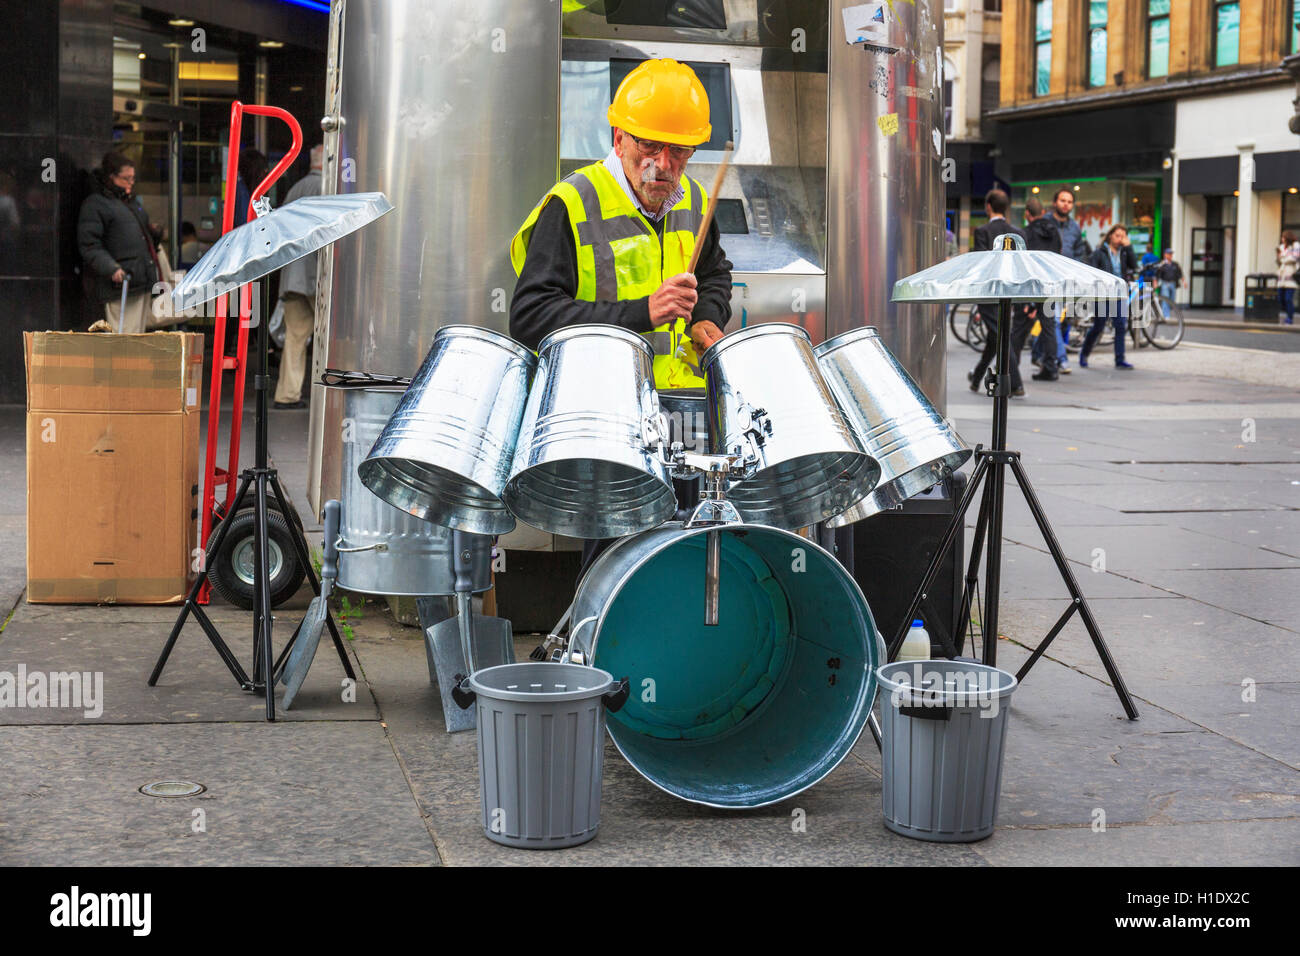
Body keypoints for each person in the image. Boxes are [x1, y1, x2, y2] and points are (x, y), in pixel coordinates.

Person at [509, 58, 732, 575]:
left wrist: (707, 315)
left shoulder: (695, 200)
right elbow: (529, 317)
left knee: (689, 556)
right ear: (618, 138)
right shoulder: (572, 203)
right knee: (616, 566)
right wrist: (641, 313)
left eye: (678, 151)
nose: (663, 164)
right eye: (648, 146)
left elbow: (715, 273)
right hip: (607, 417)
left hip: (685, 411)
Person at [77, 150, 162, 333]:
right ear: (111, 177)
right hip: (121, 283)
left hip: (138, 280)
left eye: (133, 178)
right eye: (126, 178)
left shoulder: (128, 203)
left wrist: (154, 233)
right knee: (124, 336)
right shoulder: (97, 204)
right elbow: (90, 244)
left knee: (135, 335)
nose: (131, 183)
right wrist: (111, 268)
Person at [272, 144, 324, 409]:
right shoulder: (329, 189)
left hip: (292, 275)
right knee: (333, 339)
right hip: (318, 276)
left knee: (295, 338)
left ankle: (287, 394)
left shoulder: (295, 190)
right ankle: (329, 395)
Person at [967, 189, 1027, 397]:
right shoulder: (1018, 234)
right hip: (1010, 293)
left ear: (989, 207)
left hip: (989, 294)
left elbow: (982, 264)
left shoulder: (982, 232)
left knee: (1001, 337)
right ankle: (976, 378)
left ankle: (1015, 384)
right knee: (997, 337)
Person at [1081, 223, 1137, 369]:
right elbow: (1092, 270)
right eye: (1118, 235)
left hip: (1119, 293)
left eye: (1123, 236)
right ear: (1110, 235)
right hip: (1103, 294)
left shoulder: (1124, 252)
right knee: (1099, 326)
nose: (1120, 239)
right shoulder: (1100, 251)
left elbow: (1134, 265)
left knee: (1120, 325)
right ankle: (1084, 353)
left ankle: (1119, 360)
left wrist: (1129, 247)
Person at [1023, 196, 1063, 382]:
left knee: (1019, 328)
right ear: (1043, 212)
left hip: (1033, 285)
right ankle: (1050, 367)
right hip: (1051, 283)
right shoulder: (1053, 230)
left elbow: (1025, 262)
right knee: (1048, 327)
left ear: (1027, 214)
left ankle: (1009, 371)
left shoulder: (1028, 232)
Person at [1277, 232, 1299, 325]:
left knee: (1288, 299)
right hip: (1281, 277)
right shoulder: (1281, 247)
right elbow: (1279, 259)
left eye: (1283, 237)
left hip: (1291, 276)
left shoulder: (1296, 245)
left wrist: (1284, 258)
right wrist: (1285, 258)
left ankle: (1289, 318)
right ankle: (1287, 314)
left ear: (1288, 238)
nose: (1282, 239)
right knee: (1280, 298)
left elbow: (1294, 258)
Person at [1154, 248, 1183, 317]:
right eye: (1169, 254)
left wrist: (1183, 281)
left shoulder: (1175, 264)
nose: (1170, 255)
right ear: (1165, 255)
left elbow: (1179, 273)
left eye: (1171, 254)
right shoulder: (1162, 264)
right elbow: (1156, 274)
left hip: (1173, 283)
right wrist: (1155, 283)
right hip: (1165, 283)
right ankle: (1166, 315)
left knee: (1172, 300)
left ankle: (1167, 313)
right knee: (1165, 299)